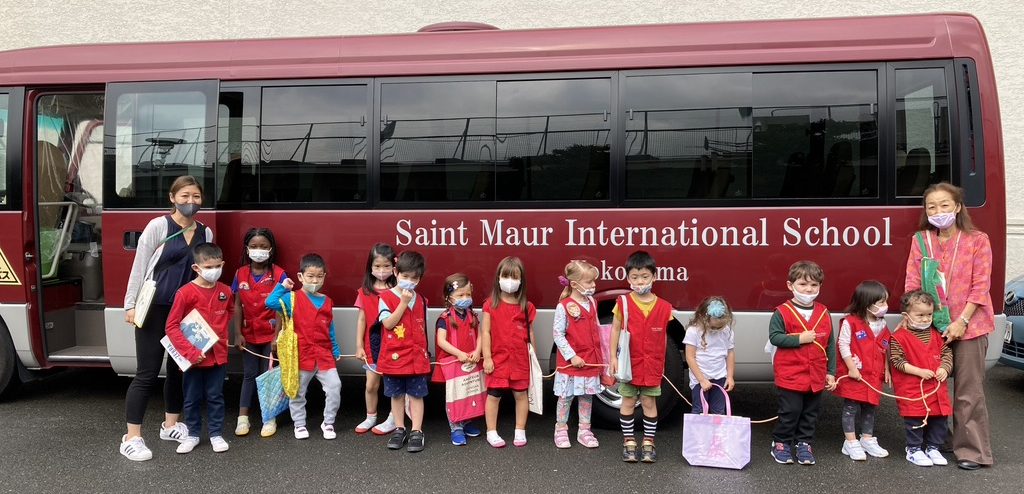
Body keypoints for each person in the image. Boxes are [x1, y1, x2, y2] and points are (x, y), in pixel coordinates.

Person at [119, 175, 213, 461]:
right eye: (184, 196)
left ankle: (170, 425)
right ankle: (131, 438)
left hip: (185, 313)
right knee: (147, 373)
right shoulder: (158, 226)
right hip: (154, 308)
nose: (190, 201)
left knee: (178, 370)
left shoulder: (205, 233)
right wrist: (130, 305)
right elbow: (140, 266)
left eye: (196, 196)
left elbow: (205, 274)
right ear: (173, 198)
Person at [904, 182, 994, 470]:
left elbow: (980, 287)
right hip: (929, 326)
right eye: (931, 207)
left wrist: (961, 321)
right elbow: (912, 282)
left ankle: (972, 452)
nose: (938, 211)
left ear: (957, 207)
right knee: (932, 384)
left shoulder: (977, 240)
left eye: (944, 205)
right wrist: (914, 317)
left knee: (968, 391)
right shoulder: (921, 241)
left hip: (970, 326)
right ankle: (936, 440)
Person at [164, 242, 234, 454]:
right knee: (192, 398)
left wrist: (221, 335)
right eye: (208, 267)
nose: (214, 271)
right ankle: (193, 434)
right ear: (196, 268)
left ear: (222, 264)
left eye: (217, 266)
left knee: (215, 396)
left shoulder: (225, 291)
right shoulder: (185, 293)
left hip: (218, 356)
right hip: (193, 359)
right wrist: (191, 352)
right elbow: (171, 326)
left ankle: (216, 434)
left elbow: (230, 311)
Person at [767, 260, 837, 466]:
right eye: (803, 284)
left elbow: (830, 344)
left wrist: (831, 371)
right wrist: (799, 338)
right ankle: (781, 442)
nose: (808, 289)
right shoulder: (782, 311)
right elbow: (775, 337)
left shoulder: (823, 312)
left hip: (816, 374)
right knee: (790, 411)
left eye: (814, 285)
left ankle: (804, 443)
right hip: (790, 374)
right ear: (791, 286)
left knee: (810, 413)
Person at [608, 251, 675, 463]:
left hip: (652, 366)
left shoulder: (665, 307)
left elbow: (664, 338)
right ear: (628, 278)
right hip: (629, 364)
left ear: (654, 276)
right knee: (628, 401)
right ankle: (629, 441)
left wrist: (662, 363)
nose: (640, 282)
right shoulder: (623, 303)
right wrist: (613, 357)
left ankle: (648, 441)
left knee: (648, 401)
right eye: (635, 277)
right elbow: (615, 329)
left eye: (645, 276)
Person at [266, 253, 341, 441]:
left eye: (319, 276)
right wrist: (282, 286)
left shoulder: (327, 301)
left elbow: (330, 328)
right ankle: (299, 424)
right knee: (297, 391)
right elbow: (270, 302)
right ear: (300, 276)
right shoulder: (292, 299)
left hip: (324, 355)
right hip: (300, 355)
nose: (315, 280)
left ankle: (328, 422)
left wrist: (335, 348)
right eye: (310, 276)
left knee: (335, 386)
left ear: (324, 276)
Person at [232, 227, 287, 438]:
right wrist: (237, 333)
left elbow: (282, 307)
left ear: (271, 249)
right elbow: (237, 305)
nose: (258, 250)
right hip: (249, 335)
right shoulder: (240, 273)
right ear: (247, 249)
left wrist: (277, 335)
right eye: (254, 246)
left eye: (263, 246)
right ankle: (242, 418)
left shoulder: (279, 274)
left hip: (270, 336)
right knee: (249, 375)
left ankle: (269, 418)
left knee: (269, 376)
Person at [890, 290, 953, 467]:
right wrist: (919, 371)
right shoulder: (898, 337)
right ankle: (913, 449)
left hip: (936, 389)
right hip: (913, 388)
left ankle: (933, 447)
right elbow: (897, 361)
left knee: (939, 419)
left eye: (929, 315)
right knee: (915, 420)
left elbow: (947, 354)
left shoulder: (937, 335)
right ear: (906, 316)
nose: (926, 319)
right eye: (920, 315)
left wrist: (944, 368)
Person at [377, 251, 431, 452]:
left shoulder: (422, 299)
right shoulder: (385, 297)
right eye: (405, 276)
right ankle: (399, 428)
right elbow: (388, 324)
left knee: (417, 395)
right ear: (395, 272)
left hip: (417, 358)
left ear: (420, 278)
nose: (409, 281)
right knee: (397, 395)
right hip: (394, 358)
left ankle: (417, 430)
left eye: (414, 278)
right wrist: (403, 303)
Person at [482, 256, 537, 449]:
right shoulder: (491, 304)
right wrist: (487, 357)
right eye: (506, 276)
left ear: (522, 280)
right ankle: (491, 431)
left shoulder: (526, 307)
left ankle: (520, 430)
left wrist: (533, 358)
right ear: (498, 277)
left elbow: (530, 333)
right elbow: (485, 332)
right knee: (493, 395)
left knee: (521, 395)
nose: (510, 281)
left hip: (520, 360)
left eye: (514, 277)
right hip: (497, 359)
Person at [834, 280, 891, 461]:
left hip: (873, 375)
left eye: (886, 301)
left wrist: (887, 368)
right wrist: (851, 368)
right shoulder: (850, 322)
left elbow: (885, 347)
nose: (885, 306)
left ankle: (867, 439)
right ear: (867, 303)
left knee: (870, 407)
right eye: (881, 302)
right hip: (855, 374)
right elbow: (843, 344)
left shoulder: (882, 324)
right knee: (851, 407)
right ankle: (850, 442)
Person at [551, 260, 603, 449]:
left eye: (593, 281)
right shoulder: (563, 306)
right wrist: (571, 356)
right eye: (589, 282)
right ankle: (560, 429)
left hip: (590, 360)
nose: (593, 285)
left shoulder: (592, 302)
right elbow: (558, 334)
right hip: (571, 363)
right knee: (565, 397)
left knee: (587, 397)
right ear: (574, 284)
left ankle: (584, 430)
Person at [353, 243, 399, 435]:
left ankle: (393, 418)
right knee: (371, 384)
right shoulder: (365, 291)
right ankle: (370, 416)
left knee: (393, 385)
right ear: (370, 267)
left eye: (386, 266)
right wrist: (359, 346)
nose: (382, 270)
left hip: (394, 345)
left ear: (394, 267)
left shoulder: (398, 290)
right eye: (377, 266)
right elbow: (362, 319)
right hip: (372, 346)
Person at [433, 273, 483, 446]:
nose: (465, 298)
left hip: (470, 361)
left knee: (469, 392)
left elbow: (480, 335)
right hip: (454, 363)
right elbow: (441, 341)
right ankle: (455, 427)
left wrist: (478, 350)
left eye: (468, 294)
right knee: (455, 395)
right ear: (449, 297)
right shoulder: (445, 318)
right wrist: (458, 353)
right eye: (460, 295)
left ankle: (467, 421)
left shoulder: (472, 315)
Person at [683, 296, 735, 415]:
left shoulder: (727, 331)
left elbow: (730, 353)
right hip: (700, 378)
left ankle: (716, 429)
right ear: (702, 317)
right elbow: (690, 357)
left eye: (720, 327)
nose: (716, 330)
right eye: (713, 327)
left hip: (720, 376)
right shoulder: (693, 331)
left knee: (719, 411)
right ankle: (698, 429)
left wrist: (730, 376)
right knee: (699, 411)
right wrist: (702, 380)